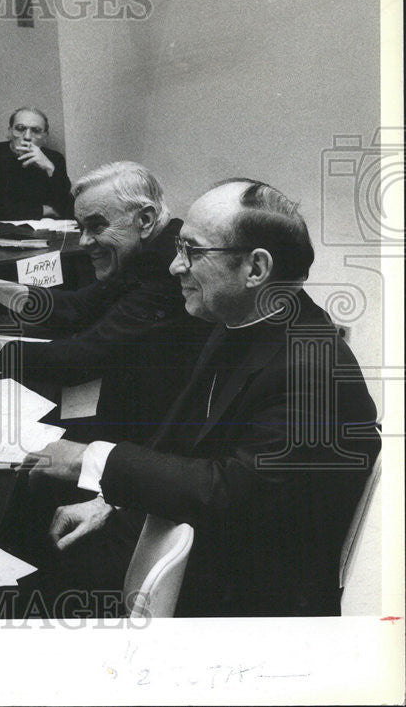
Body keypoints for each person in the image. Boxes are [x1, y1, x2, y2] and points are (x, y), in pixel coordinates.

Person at [21, 179, 381, 617]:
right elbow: (183, 437)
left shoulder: (311, 369)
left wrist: (90, 459)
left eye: (192, 251)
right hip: (202, 541)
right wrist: (109, 502)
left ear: (255, 269)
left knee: (19, 580)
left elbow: (228, 491)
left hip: (244, 595)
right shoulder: (240, 317)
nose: (175, 267)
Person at [0, 162, 210, 445]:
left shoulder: (168, 269)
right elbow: (79, 307)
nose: (84, 242)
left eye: (96, 226)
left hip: (153, 434)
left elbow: (78, 360)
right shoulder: (151, 247)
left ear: (145, 220)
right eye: (81, 228)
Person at [0, 107, 75, 223]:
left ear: (45, 137)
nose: (27, 137)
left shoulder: (54, 158)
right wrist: (42, 211)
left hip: (44, 232)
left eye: (36, 131)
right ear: (9, 132)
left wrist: (50, 168)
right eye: (20, 129)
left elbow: (67, 207)